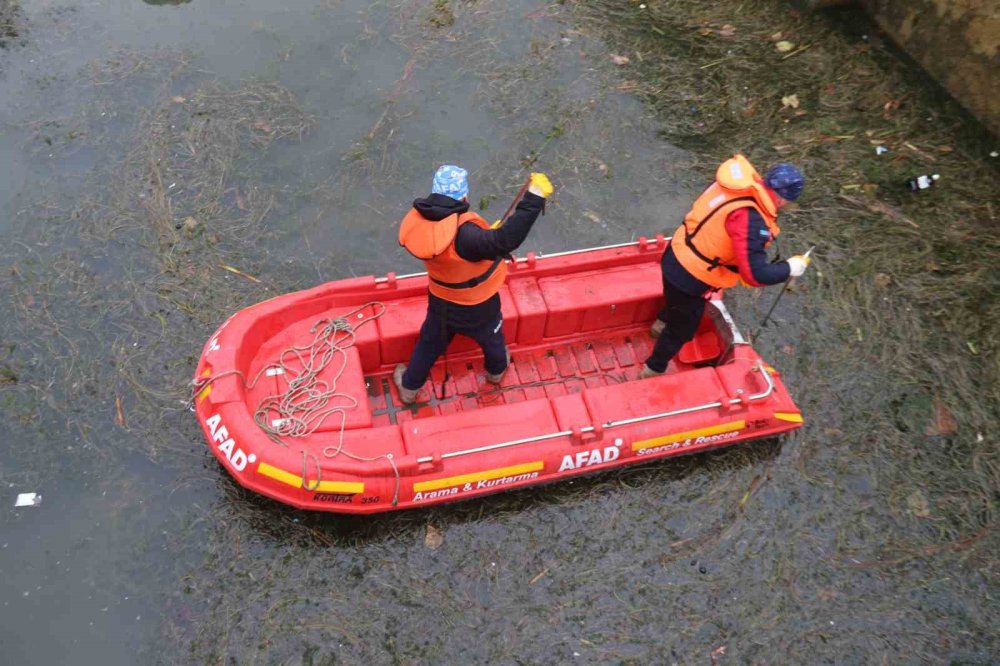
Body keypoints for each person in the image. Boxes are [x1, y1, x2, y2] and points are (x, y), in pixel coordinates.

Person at [639, 154, 810, 378]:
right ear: (784, 199)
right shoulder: (751, 218)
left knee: (675, 303)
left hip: (676, 253)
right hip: (691, 276)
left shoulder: (736, 188)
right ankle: (652, 369)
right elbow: (755, 275)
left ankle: (659, 325)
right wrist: (790, 268)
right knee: (681, 329)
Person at [394, 165, 553, 404]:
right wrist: (534, 197)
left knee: (430, 341)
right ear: (464, 196)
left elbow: (460, 249)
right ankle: (497, 372)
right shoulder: (467, 235)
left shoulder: (422, 221)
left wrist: (485, 239)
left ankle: (409, 388)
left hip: (441, 300)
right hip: (477, 305)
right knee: (492, 336)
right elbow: (505, 240)